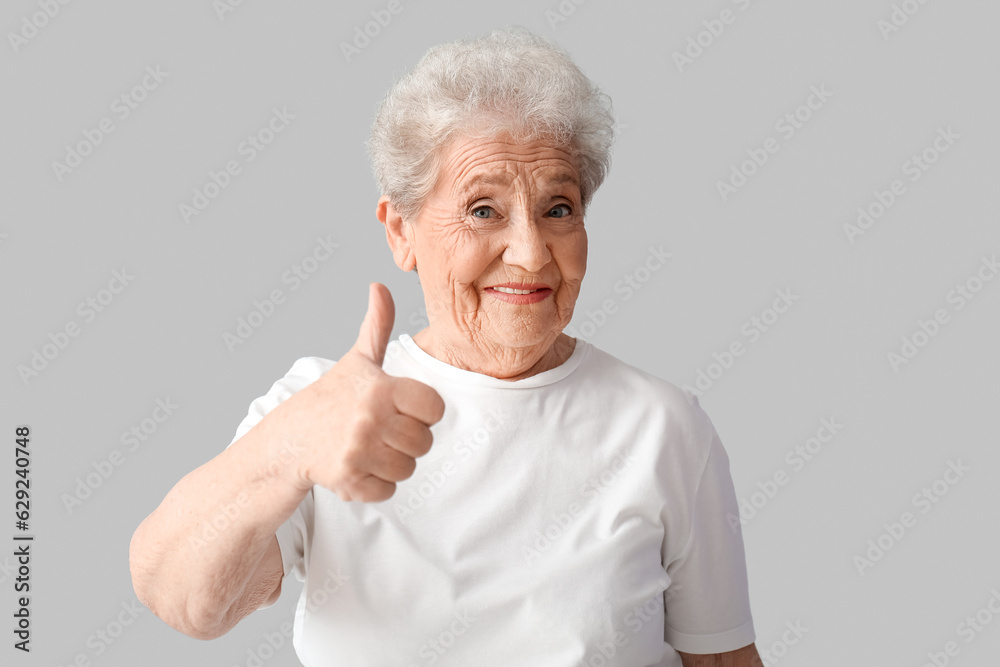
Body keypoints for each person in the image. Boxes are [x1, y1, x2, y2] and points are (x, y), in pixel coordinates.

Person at [129, 26, 761, 667]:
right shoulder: (331, 413)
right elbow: (180, 598)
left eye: (559, 208)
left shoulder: (665, 428)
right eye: (483, 210)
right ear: (401, 231)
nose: (530, 252)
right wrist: (285, 450)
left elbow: (723, 661)